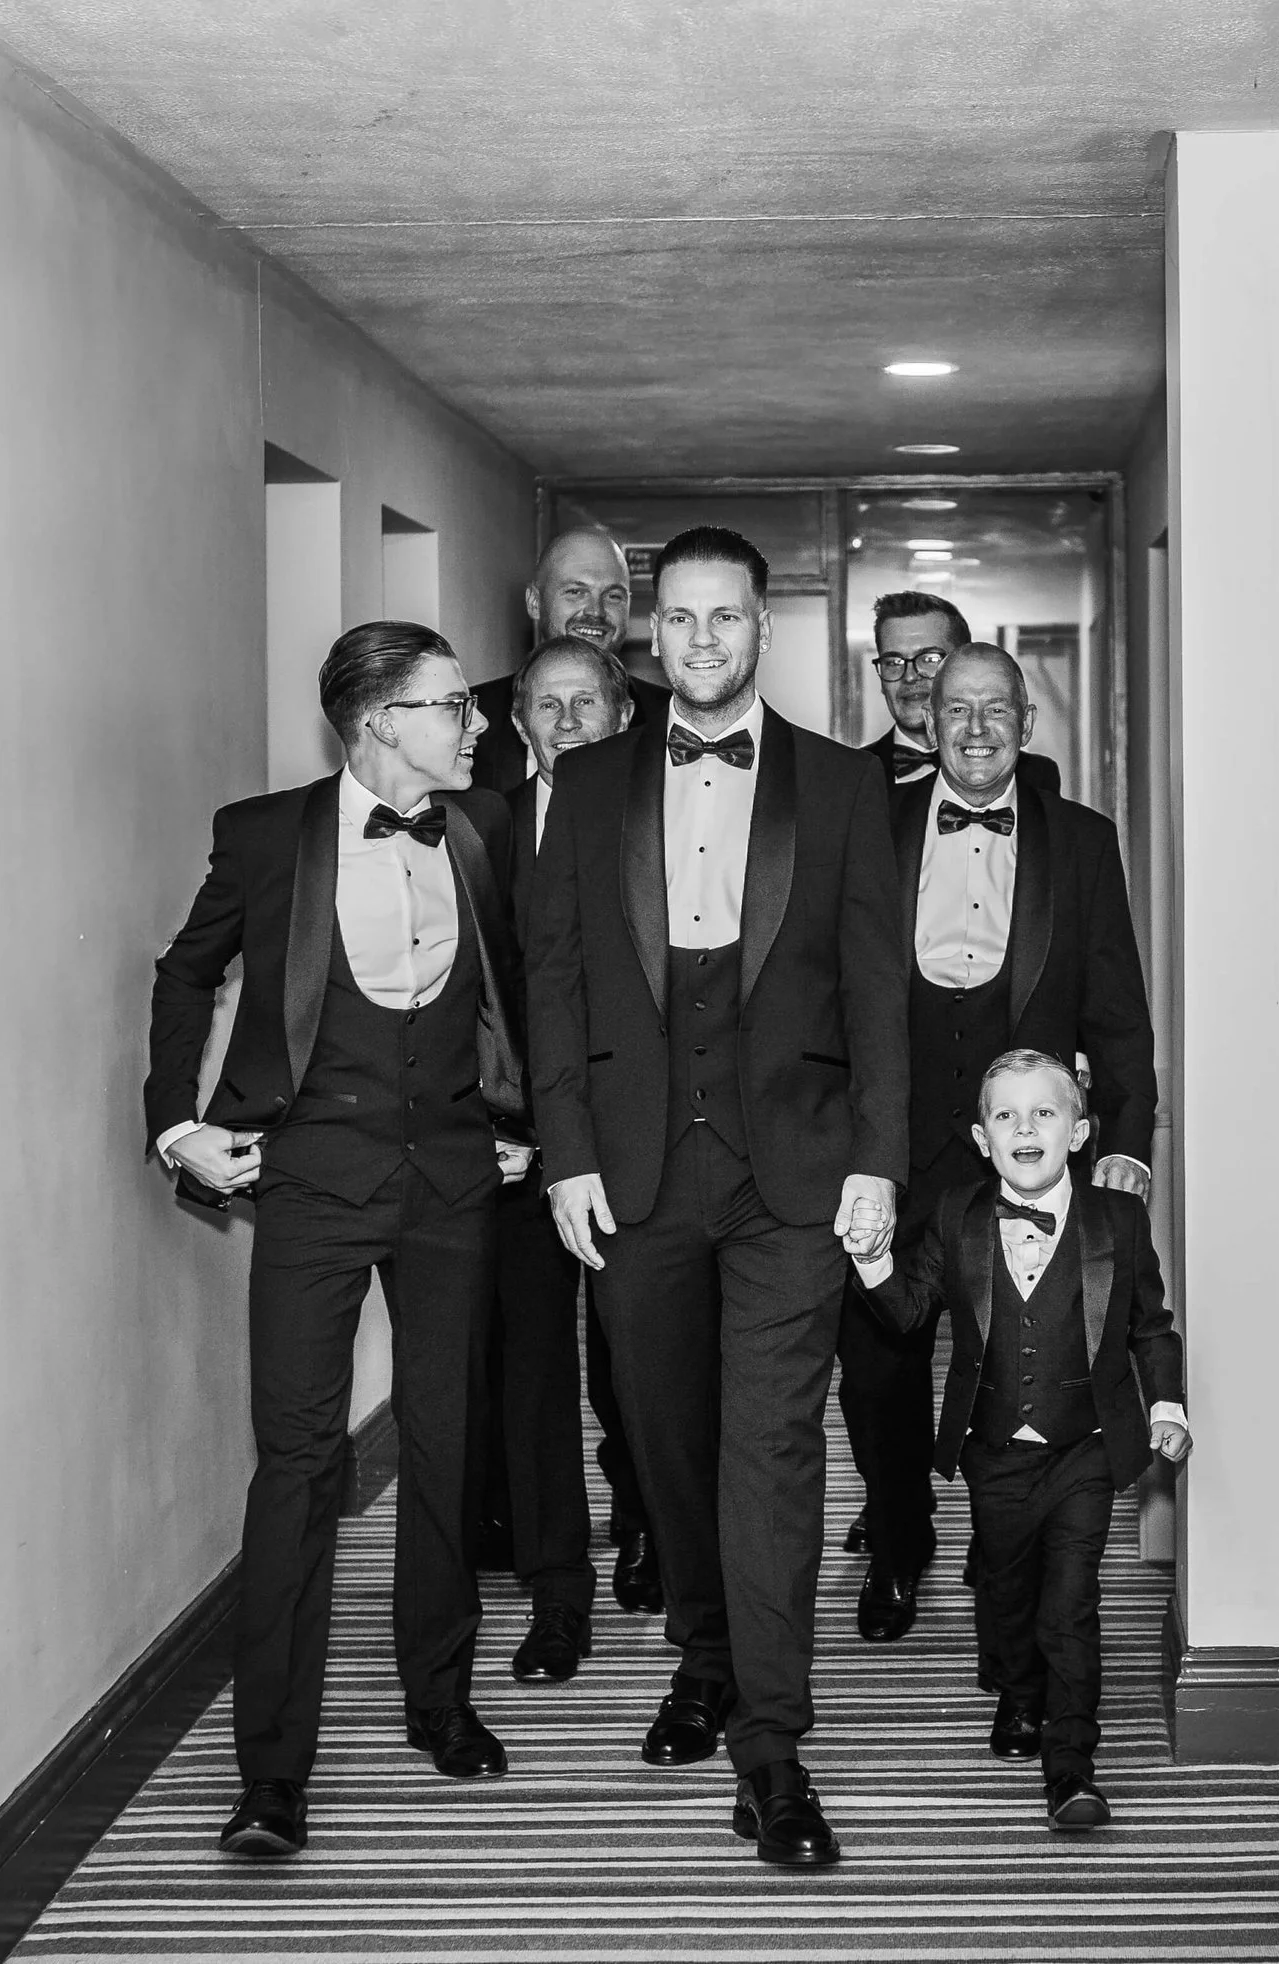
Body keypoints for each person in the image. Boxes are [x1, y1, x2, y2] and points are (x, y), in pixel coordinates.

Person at [527, 525, 907, 1867]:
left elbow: (877, 990)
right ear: (652, 636)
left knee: (773, 1450)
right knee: (664, 1442)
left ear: (764, 627)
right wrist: (566, 1151)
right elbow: (556, 985)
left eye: (725, 620)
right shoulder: (585, 786)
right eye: (677, 622)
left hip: (792, 1176)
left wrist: (879, 1158)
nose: (699, 643)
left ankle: (773, 1747)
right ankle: (702, 1650)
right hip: (632, 1177)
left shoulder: (846, 787)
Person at [144, 621, 532, 1860]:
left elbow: (531, 985)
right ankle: (270, 1775)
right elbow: (182, 974)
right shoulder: (264, 834)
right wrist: (175, 1124)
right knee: (299, 1461)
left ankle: (440, 1698)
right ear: (375, 720)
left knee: (445, 1436)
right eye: (449, 704)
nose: (474, 723)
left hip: (454, 1182)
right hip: (308, 1179)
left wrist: (529, 1122)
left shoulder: (482, 830)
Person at [835, 641, 1159, 1645]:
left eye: (995, 710)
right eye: (954, 709)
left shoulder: (1083, 840)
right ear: (927, 724)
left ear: (1026, 724)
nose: (974, 728)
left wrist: (1129, 1139)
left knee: (1024, 1356)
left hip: (1027, 1149)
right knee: (878, 1361)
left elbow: (1116, 1011)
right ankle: (897, 1542)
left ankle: (1001, 1536)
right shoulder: (866, 829)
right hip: (891, 1139)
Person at [846, 1049, 1189, 1832]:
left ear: (1079, 1132)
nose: (1025, 1127)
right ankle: (1018, 1688)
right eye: (1006, 1115)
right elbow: (905, 1315)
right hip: (994, 1445)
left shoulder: (1119, 1221)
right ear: (980, 1136)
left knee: (1070, 1601)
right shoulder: (957, 1216)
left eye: (1044, 1113)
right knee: (1005, 1585)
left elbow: (1149, 1327)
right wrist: (871, 1264)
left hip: (1088, 1445)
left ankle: (1071, 1767)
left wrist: (1165, 1404)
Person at [477, 637, 659, 1679]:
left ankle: (648, 1525)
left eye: (585, 701)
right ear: (519, 724)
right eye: (544, 705)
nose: (565, 721)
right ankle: (560, 1596)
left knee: (638, 1360)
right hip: (509, 1154)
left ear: (621, 714)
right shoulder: (476, 827)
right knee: (533, 1374)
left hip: (630, 1140)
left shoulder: (663, 816)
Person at [471, 526, 669, 791]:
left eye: (613, 595)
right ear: (534, 601)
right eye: (576, 592)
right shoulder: (472, 720)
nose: (596, 611)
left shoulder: (668, 718)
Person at [862, 591, 1061, 793]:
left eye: (929, 659)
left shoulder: (1035, 775)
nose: (910, 676)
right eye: (893, 662)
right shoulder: (850, 776)